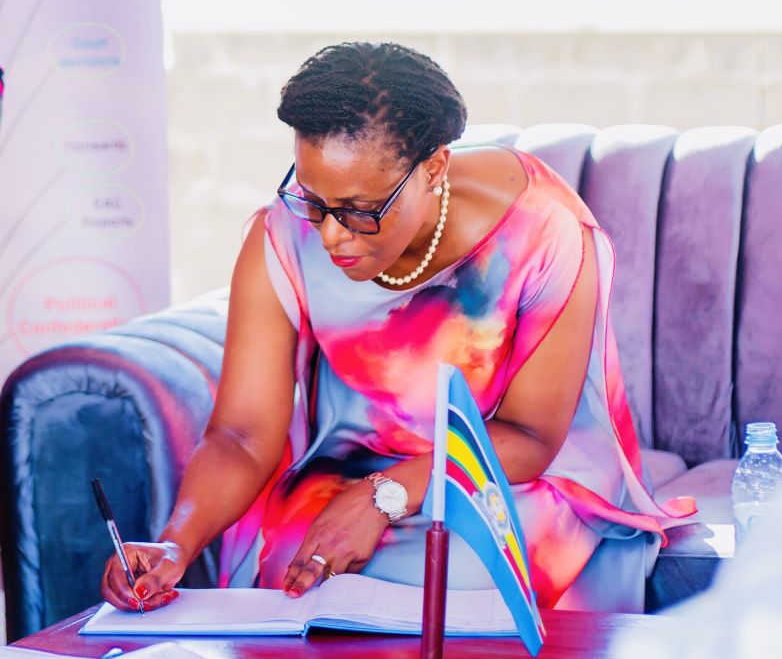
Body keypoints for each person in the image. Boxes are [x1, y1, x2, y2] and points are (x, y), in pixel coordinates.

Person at [99, 41, 694, 614]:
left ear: (434, 168)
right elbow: (242, 436)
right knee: (299, 571)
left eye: (360, 210)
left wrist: (382, 497)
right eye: (313, 200)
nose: (330, 234)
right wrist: (177, 542)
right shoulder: (280, 235)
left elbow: (531, 437)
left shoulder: (544, 234)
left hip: (506, 475)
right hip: (348, 467)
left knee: (459, 574)